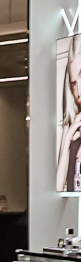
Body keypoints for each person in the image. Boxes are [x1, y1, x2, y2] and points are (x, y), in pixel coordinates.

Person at [56, 34, 81, 193]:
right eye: (74, 84)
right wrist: (67, 139)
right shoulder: (73, 128)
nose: (79, 92)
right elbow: (58, 188)